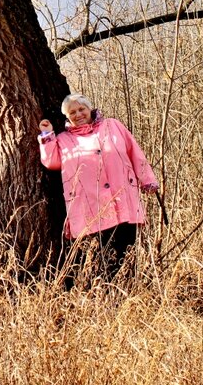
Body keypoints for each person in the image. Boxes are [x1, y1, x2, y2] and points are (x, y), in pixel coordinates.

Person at [37, 94, 160, 278]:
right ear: (67, 117)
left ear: (89, 109)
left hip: (123, 201)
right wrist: (47, 135)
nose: (78, 114)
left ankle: (128, 294)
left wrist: (147, 180)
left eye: (81, 109)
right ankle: (102, 299)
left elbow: (135, 152)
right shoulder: (63, 139)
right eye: (73, 112)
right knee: (99, 261)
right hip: (90, 209)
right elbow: (51, 162)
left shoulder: (112, 125)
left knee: (126, 255)